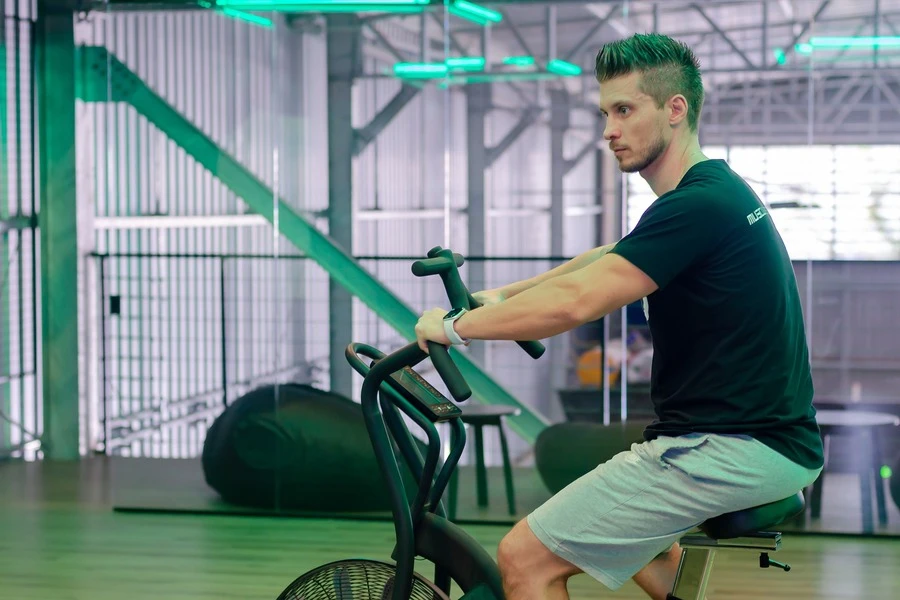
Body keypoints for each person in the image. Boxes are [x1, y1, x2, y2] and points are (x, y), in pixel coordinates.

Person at [414, 33, 825, 600]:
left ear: (674, 110)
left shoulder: (696, 205)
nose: (608, 129)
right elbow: (605, 259)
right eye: (605, 112)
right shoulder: (713, 192)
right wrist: (504, 297)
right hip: (759, 441)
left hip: (731, 446)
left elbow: (577, 302)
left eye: (625, 110)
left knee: (524, 559)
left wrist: (453, 328)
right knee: (644, 548)